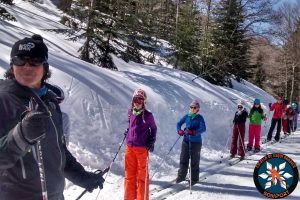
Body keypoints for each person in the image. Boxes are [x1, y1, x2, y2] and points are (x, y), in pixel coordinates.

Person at [0, 34, 104, 200]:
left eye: (34, 61)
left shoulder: (50, 104)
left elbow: (58, 151)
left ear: (45, 68)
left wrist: (83, 177)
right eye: (20, 60)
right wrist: (20, 137)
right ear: (12, 66)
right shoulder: (3, 100)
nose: (27, 66)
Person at [124, 88, 157, 200]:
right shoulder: (130, 112)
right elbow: (131, 125)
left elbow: (154, 128)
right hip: (129, 148)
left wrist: (152, 140)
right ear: (132, 100)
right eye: (135, 99)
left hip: (142, 149)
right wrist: (128, 131)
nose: (137, 103)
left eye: (140, 100)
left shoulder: (148, 115)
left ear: (144, 102)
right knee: (129, 175)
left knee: (142, 177)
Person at [176, 100, 206, 185]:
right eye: (191, 107)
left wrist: (194, 132)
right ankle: (181, 176)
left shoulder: (200, 117)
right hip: (186, 141)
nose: (192, 109)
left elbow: (203, 128)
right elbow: (178, 124)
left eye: (194, 108)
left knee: (194, 161)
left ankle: (194, 178)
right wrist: (179, 131)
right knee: (183, 158)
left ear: (197, 109)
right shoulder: (187, 116)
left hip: (196, 142)